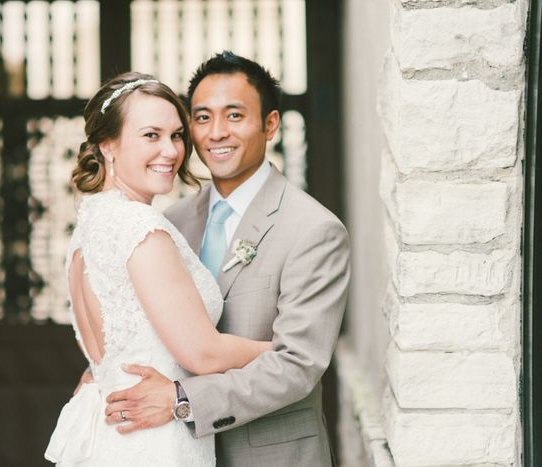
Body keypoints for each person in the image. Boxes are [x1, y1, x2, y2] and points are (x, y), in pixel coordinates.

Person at [102, 52, 350, 467]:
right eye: (202, 118)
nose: (217, 133)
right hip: (176, 452)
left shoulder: (314, 230)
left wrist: (182, 399)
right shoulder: (170, 223)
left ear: (270, 124)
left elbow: (298, 366)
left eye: (234, 115)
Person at [43, 71, 271, 466]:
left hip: (114, 437)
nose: (170, 150)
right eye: (151, 135)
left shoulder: (89, 225)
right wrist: (288, 351)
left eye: (177, 135)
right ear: (108, 145)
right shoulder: (140, 228)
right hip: (155, 440)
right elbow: (203, 353)